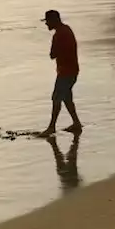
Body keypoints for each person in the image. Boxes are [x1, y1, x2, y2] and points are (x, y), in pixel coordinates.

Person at [38, 10, 82, 138]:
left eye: (47, 21)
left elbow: (52, 55)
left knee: (56, 97)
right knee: (66, 97)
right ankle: (76, 123)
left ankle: (52, 127)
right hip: (72, 69)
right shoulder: (67, 30)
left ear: (54, 21)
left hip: (66, 71)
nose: (46, 24)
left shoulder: (59, 35)